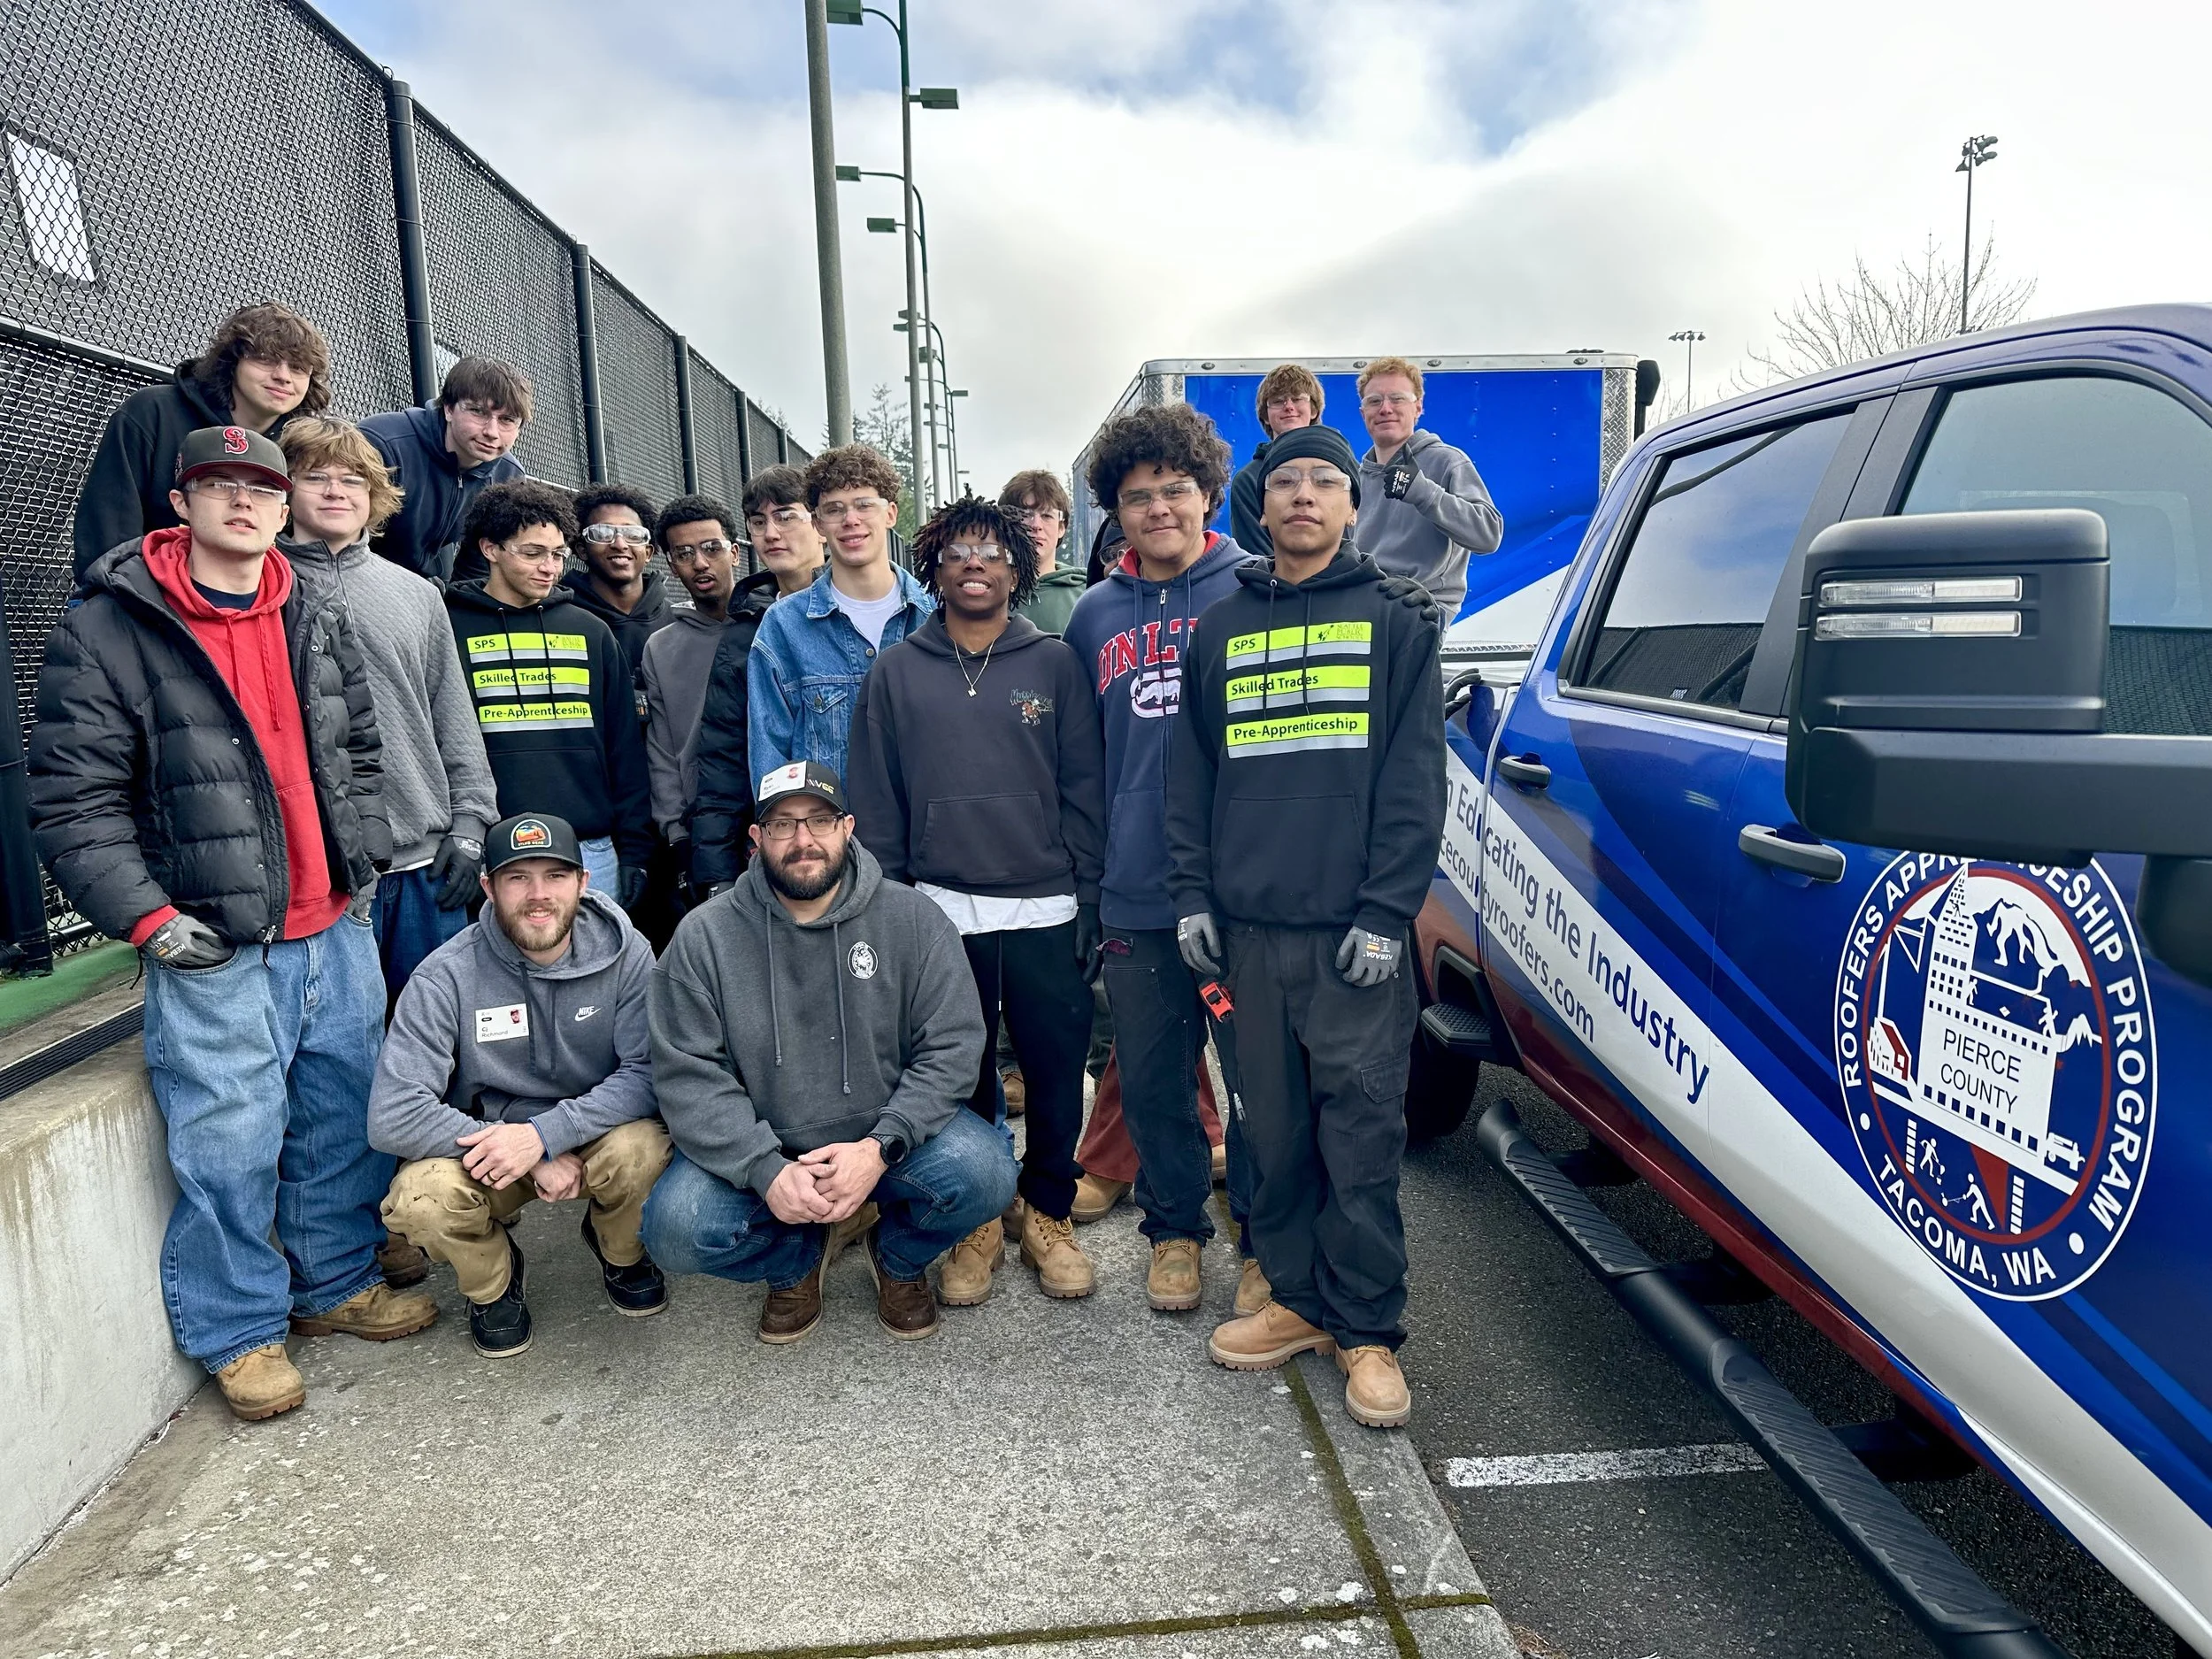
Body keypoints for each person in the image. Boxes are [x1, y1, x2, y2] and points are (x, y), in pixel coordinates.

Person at [30, 425, 432, 1423]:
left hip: (332, 923)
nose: (243, 501)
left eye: (261, 487)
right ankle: (239, 1328)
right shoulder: (112, 625)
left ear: (284, 508)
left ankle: (334, 1282)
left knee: (341, 1117)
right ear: (181, 502)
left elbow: (360, 753)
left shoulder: (313, 610)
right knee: (229, 1141)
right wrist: (149, 918)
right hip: (212, 943)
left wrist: (361, 864)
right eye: (218, 484)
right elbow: (74, 801)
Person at [1165, 422, 1446, 1432]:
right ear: (1262, 502)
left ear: (1350, 504)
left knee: (1360, 1134)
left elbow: (1414, 782)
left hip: (1351, 942)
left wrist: (1386, 913)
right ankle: (1297, 1300)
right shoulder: (1218, 629)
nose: (1304, 495)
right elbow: (1189, 781)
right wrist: (1192, 896)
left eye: (1325, 480)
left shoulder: (1395, 622)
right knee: (1270, 1135)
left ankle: (1366, 1328)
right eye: (1287, 480)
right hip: (1248, 937)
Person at [642, 762, 1013, 1344]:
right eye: (783, 824)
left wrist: (880, 1147)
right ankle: (795, 1260)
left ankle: (897, 1256)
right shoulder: (703, 937)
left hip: (884, 1142)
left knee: (988, 1172)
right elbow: (689, 1074)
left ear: (847, 827)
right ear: (757, 838)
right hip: (766, 1147)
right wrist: (765, 1170)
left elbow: (953, 1045)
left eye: (819, 820)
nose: (803, 839)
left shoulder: (914, 920)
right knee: (674, 1229)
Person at [848, 495, 1106, 1304]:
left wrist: (1089, 891)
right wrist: (888, 902)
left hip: (1045, 905)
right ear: (933, 565)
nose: (974, 563)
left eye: (992, 552)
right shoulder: (897, 671)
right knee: (961, 1074)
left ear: (1016, 568)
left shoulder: (1054, 663)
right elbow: (877, 796)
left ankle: (1048, 1211)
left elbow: (1085, 787)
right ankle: (979, 1215)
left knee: (1055, 1071)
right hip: (937, 908)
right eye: (957, 550)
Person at [1064, 402, 1258, 1312]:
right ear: (1117, 511)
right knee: (1152, 1079)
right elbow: (1080, 764)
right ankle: (1174, 1231)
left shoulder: (1255, 589)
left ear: (1208, 493)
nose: (1159, 509)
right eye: (1138, 497)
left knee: (1258, 1086)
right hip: (1136, 891)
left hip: (1244, 894)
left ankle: (1263, 1240)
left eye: (1175, 489)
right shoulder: (1094, 615)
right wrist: (1088, 884)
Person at [373, 813, 669, 1356]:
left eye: (555, 876)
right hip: (490, 1149)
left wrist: (544, 1136)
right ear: (488, 887)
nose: (538, 896)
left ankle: (621, 1251)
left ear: (583, 882)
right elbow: (394, 1112)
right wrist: (524, 1151)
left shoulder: (628, 953)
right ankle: (494, 1283)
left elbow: (650, 1073)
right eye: (517, 878)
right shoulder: (444, 975)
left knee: (645, 1149)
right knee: (419, 1198)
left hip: (595, 1131)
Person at [277, 418, 498, 1010]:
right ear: (285, 491)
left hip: (423, 864)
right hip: (317, 872)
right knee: (343, 1046)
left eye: (352, 479)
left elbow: (452, 715)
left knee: (437, 1033)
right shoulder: (260, 586)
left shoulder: (418, 594)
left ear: (375, 496)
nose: (335, 491)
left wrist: (471, 826)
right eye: (315, 477)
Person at [443, 480, 653, 910]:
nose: (549, 568)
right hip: (490, 851)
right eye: (533, 553)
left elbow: (625, 749)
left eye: (557, 555)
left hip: (588, 849)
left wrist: (635, 849)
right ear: (490, 549)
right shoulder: (447, 626)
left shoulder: (591, 631)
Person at [73, 303, 332, 578]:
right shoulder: (152, 412)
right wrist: (125, 591)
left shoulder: (305, 445)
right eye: (265, 359)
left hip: (255, 596)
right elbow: (108, 526)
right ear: (232, 362)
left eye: (298, 367)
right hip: (143, 591)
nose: (283, 376)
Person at [746, 443, 933, 782]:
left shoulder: (935, 615)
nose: (851, 520)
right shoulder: (782, 627)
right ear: (818, 523)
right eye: (834, 509)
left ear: (890, 513)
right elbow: (770, 766)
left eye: (864, 505)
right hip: (830, 818)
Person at [687, 467, 830, 892]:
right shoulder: (744, 629)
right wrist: (715, 872)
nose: (771, 533)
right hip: (781, 848)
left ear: (821, 524)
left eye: (785, 516)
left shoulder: (864, 610)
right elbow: (723, 755)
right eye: (758, 521)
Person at [638, 493, 745, 872]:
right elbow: (662, 748)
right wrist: (675, 831)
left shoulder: (770, 625)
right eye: (684, 553)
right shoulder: (661, 647)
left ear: (735, 553)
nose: (700, 563)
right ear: (670, 564)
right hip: (700, 824)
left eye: (711, 548)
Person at [1351, 355, 1502, 620]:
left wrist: (1425, 493)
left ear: (1418, 407)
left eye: (1397, 399)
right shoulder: (1355, 478)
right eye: (1374, 401)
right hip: (1363, 611)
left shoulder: (1447, 461)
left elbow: (1488, 535)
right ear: (1363, 413)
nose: (1385, 409)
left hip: (1422, 612)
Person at [360, 357, 531, 583]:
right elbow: (342, 539)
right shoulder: (383, 443)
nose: (492, 432)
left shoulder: (509, 477)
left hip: (426, 586)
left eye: (507, 420)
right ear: (449, 409)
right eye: (478, 412)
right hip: (360, 575)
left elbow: (477, 570)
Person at [565, 483, 672, 676]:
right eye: (603, 534)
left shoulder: (677, 621)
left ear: (648, 552)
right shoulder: (561, 620)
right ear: (582, 550)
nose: (620, 544)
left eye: (633, 535)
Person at [1228, 363, 1325, 560]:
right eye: (1278, 401)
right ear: (1265, 415)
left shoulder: (1336, 472)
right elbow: (1256, 557)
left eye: (1297, 399)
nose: (1289, 407)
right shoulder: (1248, 480)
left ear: (1314, 410)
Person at [1001, 469, 1086, 637]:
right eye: (1025, 515)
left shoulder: (1087, 592)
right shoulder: (989, 591)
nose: (1036, 525)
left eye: (1046, 516)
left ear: (1061, 527)